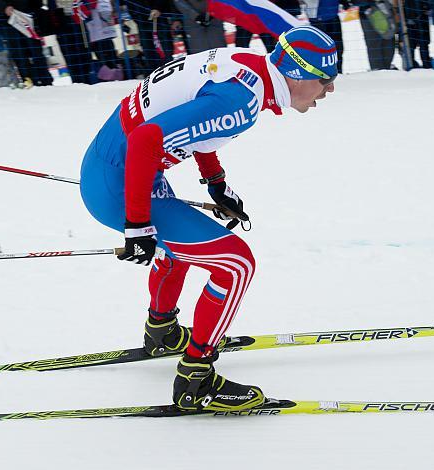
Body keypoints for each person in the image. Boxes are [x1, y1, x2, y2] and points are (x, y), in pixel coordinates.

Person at [79, 25, 337, 411]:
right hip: (122, 182)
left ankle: (162, 330)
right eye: (325, 80)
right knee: (236, 264)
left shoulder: (244, 67)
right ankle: (196, 380)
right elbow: (147, 140)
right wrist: (137, 225)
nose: (329, 91)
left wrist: (215, 182)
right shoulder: (240, 103)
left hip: (117, 170)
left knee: (183, 247)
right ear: (297, 74)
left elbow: (194, 124)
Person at [309, 0, 347, 73]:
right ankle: (323, 75)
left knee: (338, 48)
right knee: (321, 51)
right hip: (318, 18)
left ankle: (338, 73)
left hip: (333, 16)